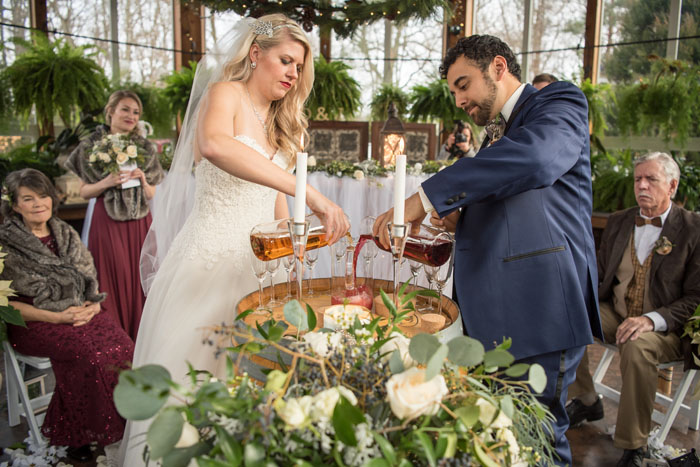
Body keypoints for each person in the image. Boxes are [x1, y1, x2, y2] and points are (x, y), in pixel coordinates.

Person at [121, 14, 349, 465]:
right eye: (286, 60)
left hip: (258, 271)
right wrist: (314, 196)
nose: (292, 73)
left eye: (299, 68)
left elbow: (277, 204)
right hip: (209, 260)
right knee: (192, 381)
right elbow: (215, 146)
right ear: (255, 52)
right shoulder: (223, 94)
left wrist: (293, 248)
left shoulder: (287, 125)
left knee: (247, 384)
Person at [373, 35, 601, 465]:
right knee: (504, 439)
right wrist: (463, 216)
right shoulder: (496, 132)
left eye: (464, 84)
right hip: (498, 313)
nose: (459, 99)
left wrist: (424, 199)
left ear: (498, 67)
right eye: (454, 90)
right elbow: (514, 201)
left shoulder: (560, 103)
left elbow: (534, 160)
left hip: (539, 310)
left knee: (537, 439)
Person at [566, 152, 700, 467]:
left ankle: (633, 444)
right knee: (570, 314)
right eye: (638, 179)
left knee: (636, 345)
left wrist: (652, 320)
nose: (641, 185)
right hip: (617, 310)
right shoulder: (619, 220)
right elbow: (598, 274)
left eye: (651, 179)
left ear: (672, 186)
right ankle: (586, 399)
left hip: (665, 325)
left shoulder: (694, 229)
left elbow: (696, 296)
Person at [0, 168, 134, 464]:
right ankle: (84, 434)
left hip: (80, 310)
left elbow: (88, 277)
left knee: (123, 348)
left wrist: (94, 304)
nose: (38, 204)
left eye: (43, 195)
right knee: (90, 354)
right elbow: (6, 305)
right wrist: (57, 318)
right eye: (28, 198)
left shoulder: (65, 232)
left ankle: (125, 425)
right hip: (35, 321)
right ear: (14, 205)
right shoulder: (5, 243)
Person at [65, 90, 164, 340]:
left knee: (140, 279)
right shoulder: (90, 145)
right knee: (112, 278)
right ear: (110, 111)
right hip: (107, 223)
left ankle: (144, 340)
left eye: (136, 112)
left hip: (140, 223)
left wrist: (142, 179)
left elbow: (152, 194)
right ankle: (116, 342)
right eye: (125, 109)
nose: (131, 115)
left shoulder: (144, 147)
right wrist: (107, 181)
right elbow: (85, 191)